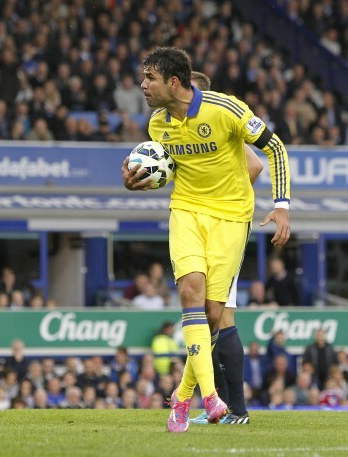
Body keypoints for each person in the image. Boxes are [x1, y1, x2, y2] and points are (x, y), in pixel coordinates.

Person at [122, 48, 291, 433]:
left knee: (214, 315)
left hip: (232, 217)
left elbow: (273, 148)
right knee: (190, 292)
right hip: (186, 210)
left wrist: (281, 206)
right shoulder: (156, 125)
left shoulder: (225, 109)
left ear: (173, 82)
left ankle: (182, 398)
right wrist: (135, 181)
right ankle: (212, 398)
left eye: (149, 78)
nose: (143, 85)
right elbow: (163, 171)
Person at [188, 71, 264, 426]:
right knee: (209, 318)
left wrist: (220, 197)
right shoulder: (184, 132)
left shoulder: (221, 126)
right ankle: (221, 407)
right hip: (205, 227)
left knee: (219, 318)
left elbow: (255, 163)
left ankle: (236, 409)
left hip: (226, 228)